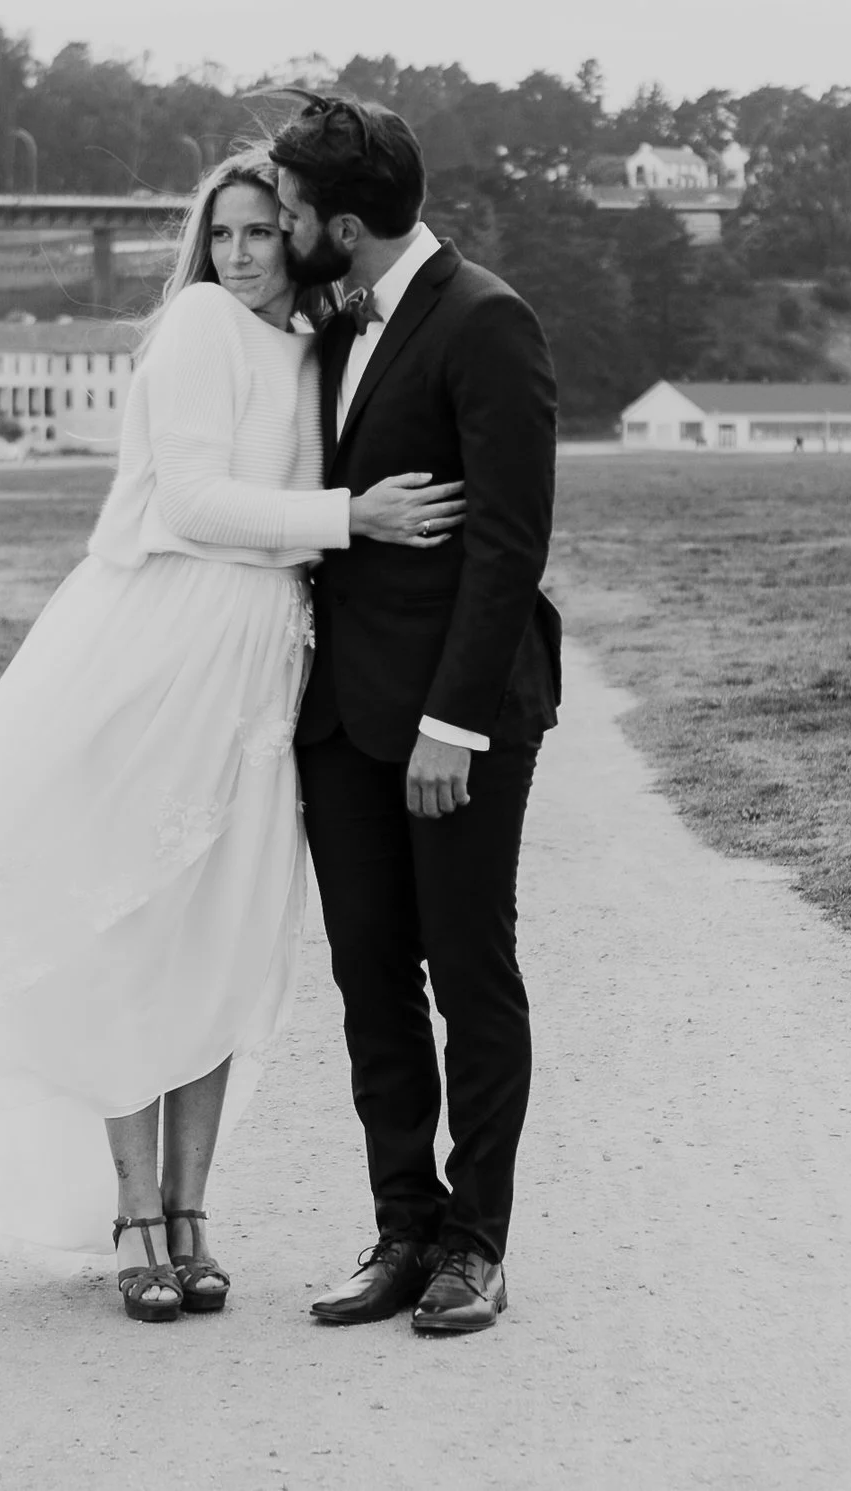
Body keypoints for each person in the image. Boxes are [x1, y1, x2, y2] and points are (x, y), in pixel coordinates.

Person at [0, 148, 466, 1323]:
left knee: (220, 941)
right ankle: (135, 1212)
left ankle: (194, 1209)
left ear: (303, 235)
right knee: (133, 923)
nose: (238, 253)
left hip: (262, 663)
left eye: (261, 232)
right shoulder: (195, 330)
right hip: (163, 647)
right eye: (220, 233)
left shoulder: (316, 343)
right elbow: (187, 502)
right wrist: (349, 517)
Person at [271, 94, 561, 1336]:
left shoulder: (487, 320)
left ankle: (475, 1244)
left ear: (345, 222)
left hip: (457, 717)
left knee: (469, 973)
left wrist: (455, 724)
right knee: (369, 978)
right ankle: (402, 1225)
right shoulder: (330, 327)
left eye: (289, 213)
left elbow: (507, 543)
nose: (278, 230)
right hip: (339, 715)